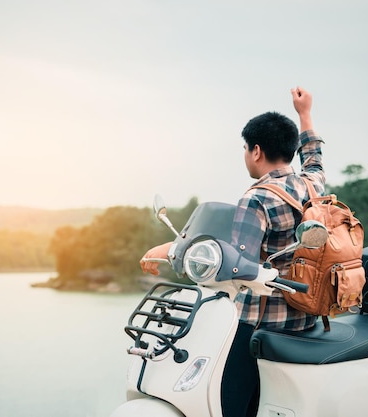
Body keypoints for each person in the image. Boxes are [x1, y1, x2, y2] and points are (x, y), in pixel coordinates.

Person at [139, 86, 324, 417]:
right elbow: (314, 155)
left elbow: (236, 262)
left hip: (261, 321)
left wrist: (172, 249)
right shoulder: (312, 184)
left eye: (245, 148)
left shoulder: (257, 198)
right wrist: (305, 114)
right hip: (306, 313)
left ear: (255, 151)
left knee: (229, 402)